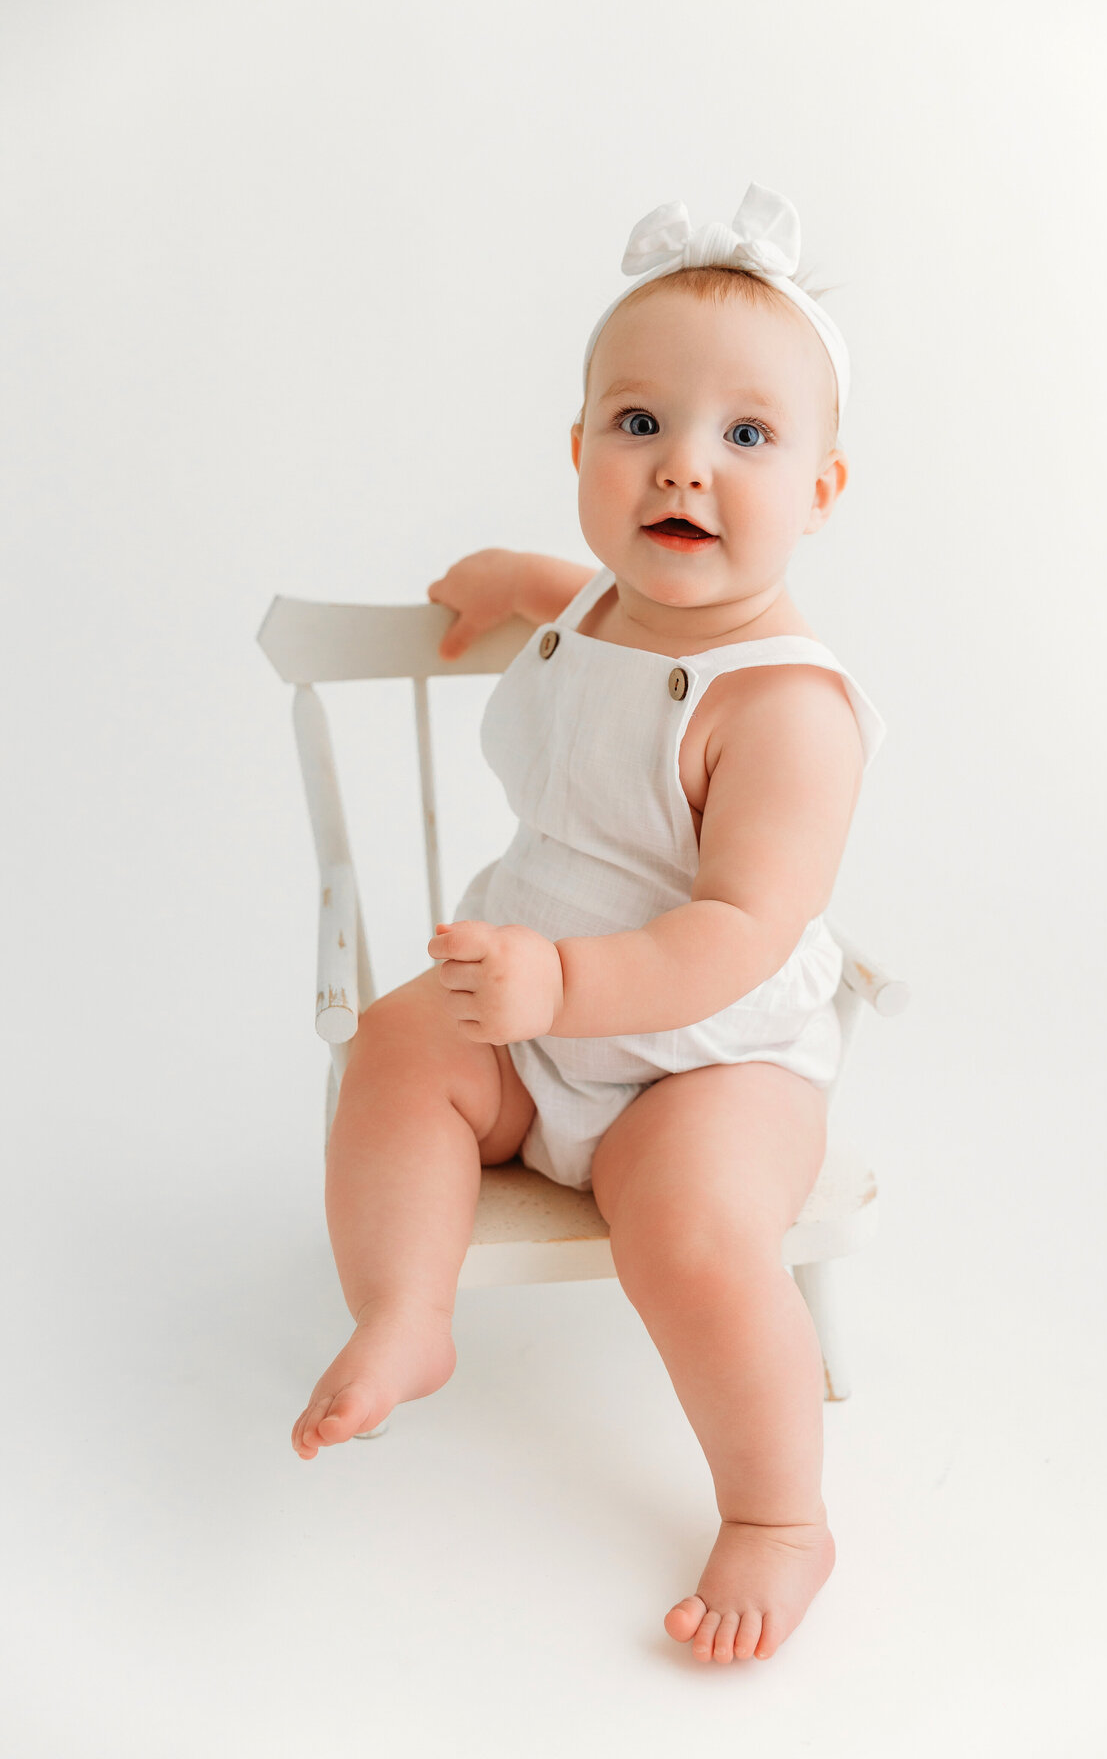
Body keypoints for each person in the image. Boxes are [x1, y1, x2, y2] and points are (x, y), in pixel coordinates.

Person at [290, 183, 887, 1666]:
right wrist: (527, 586)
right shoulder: (605, 613)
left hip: (708, 1059)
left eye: (747, 437)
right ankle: (408, 1307)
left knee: (686, 1231)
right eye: (639, 424)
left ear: (820, 489)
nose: (684, 464)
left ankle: (775, 1516)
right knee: (394, 1043)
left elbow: (741, 927)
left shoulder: (789, 710)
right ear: (579, 452)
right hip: (533, 1018)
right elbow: (604, 631)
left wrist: (566, 979)